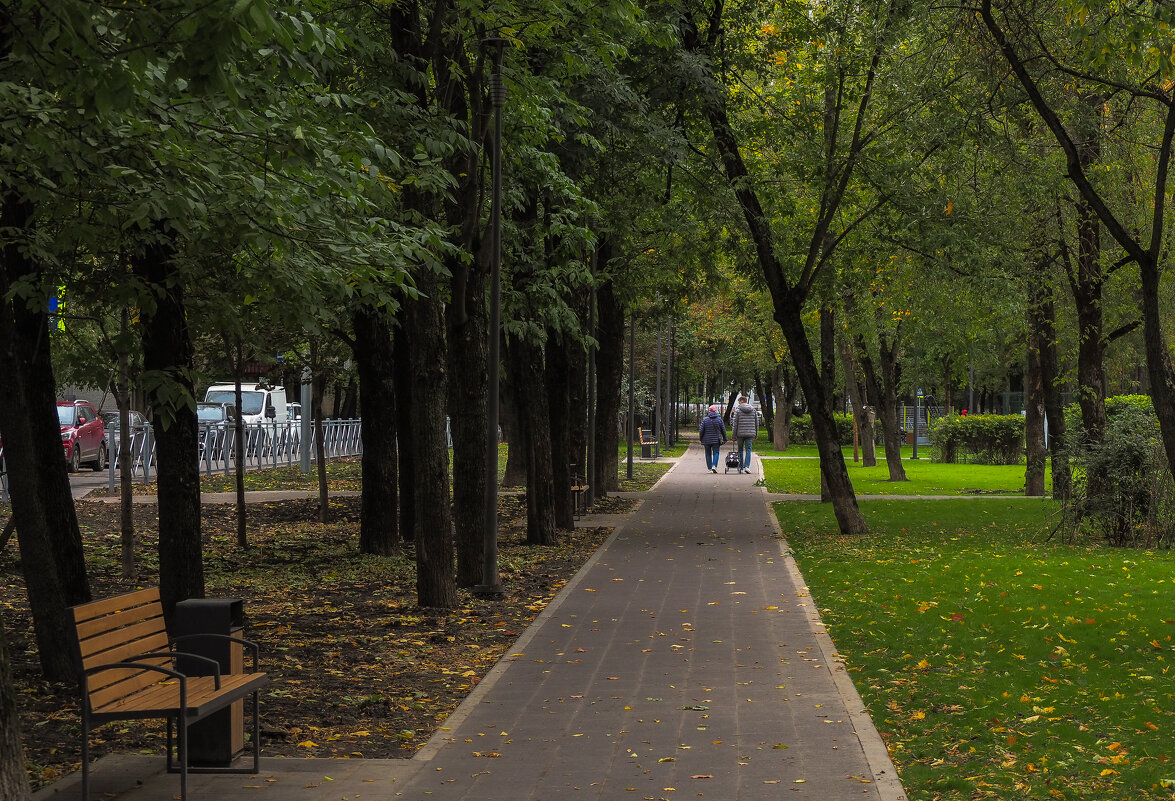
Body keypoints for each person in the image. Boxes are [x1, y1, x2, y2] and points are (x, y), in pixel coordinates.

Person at [730, 395, 758, 474]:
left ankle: (741, 467)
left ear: (741, 401)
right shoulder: (753, 410)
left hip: (740, 434)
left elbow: (735, 424)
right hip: (750, 434)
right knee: (748, 450)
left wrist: (733, 436)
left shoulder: (737, 411)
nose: (738, 403)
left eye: (739, 401)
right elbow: (756, 423)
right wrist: (756, 434)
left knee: (740, 450)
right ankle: (747, 467)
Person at [698, 405, 727, 473]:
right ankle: (714, 466)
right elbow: (723, 430)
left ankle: (710, 468)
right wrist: (725, 438)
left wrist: (701, 438)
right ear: (715, 411)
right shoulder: (719, 420)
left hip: (706, 440)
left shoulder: (705, 420)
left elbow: (701, 430)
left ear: (709, 411)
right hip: (716, 440)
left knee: (708, 454)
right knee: (716, 452)